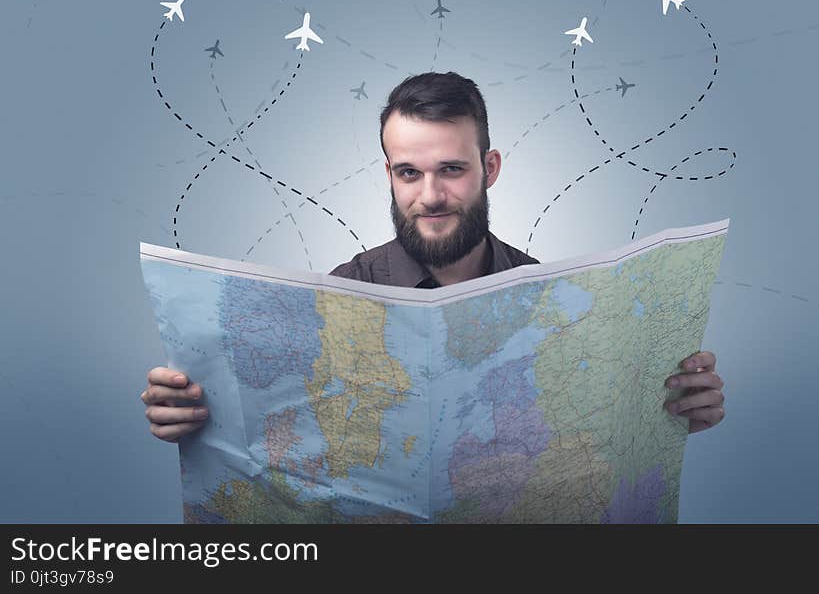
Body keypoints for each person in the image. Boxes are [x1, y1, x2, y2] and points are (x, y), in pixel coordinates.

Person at [142, 71, 725, 443]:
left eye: (452, 169)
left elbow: (588, 428)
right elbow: (282, 423)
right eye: (408, 173)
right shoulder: (337, 295)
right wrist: (194, 414)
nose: (431, 196)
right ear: (389, 175)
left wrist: (670, 411)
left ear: (489, 170)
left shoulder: (549, 298)